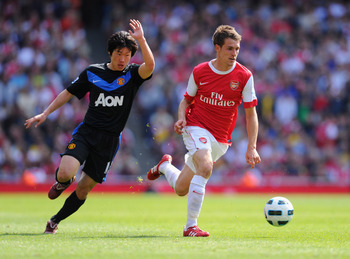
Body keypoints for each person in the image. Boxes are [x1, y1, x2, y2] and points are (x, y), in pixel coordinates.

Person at [25, 19, 155, 234]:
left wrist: (141, 39)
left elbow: (150, 66)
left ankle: (55, 220)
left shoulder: (132, 74)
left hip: (110, 140)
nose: (123, 59)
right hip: (87, 132)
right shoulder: (92, 72)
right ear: (110, 52)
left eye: (127, 55)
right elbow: (68, 92)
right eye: (119, 53)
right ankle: (62, 182)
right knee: (66, 173)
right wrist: (45, 113)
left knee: (84, 189)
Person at [147, 25, 261, 237]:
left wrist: (252, 147)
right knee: (206, 167)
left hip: (220, 139)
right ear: (217, 48)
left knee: (181, 188)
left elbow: (251, 114)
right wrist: (181, 118)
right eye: (229, 49)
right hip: (196, 125)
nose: (234, 53)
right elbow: (185, 101)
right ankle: (190, 226)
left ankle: (165, 167)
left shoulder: (244, 76)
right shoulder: (200, 71)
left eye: (237, 49)